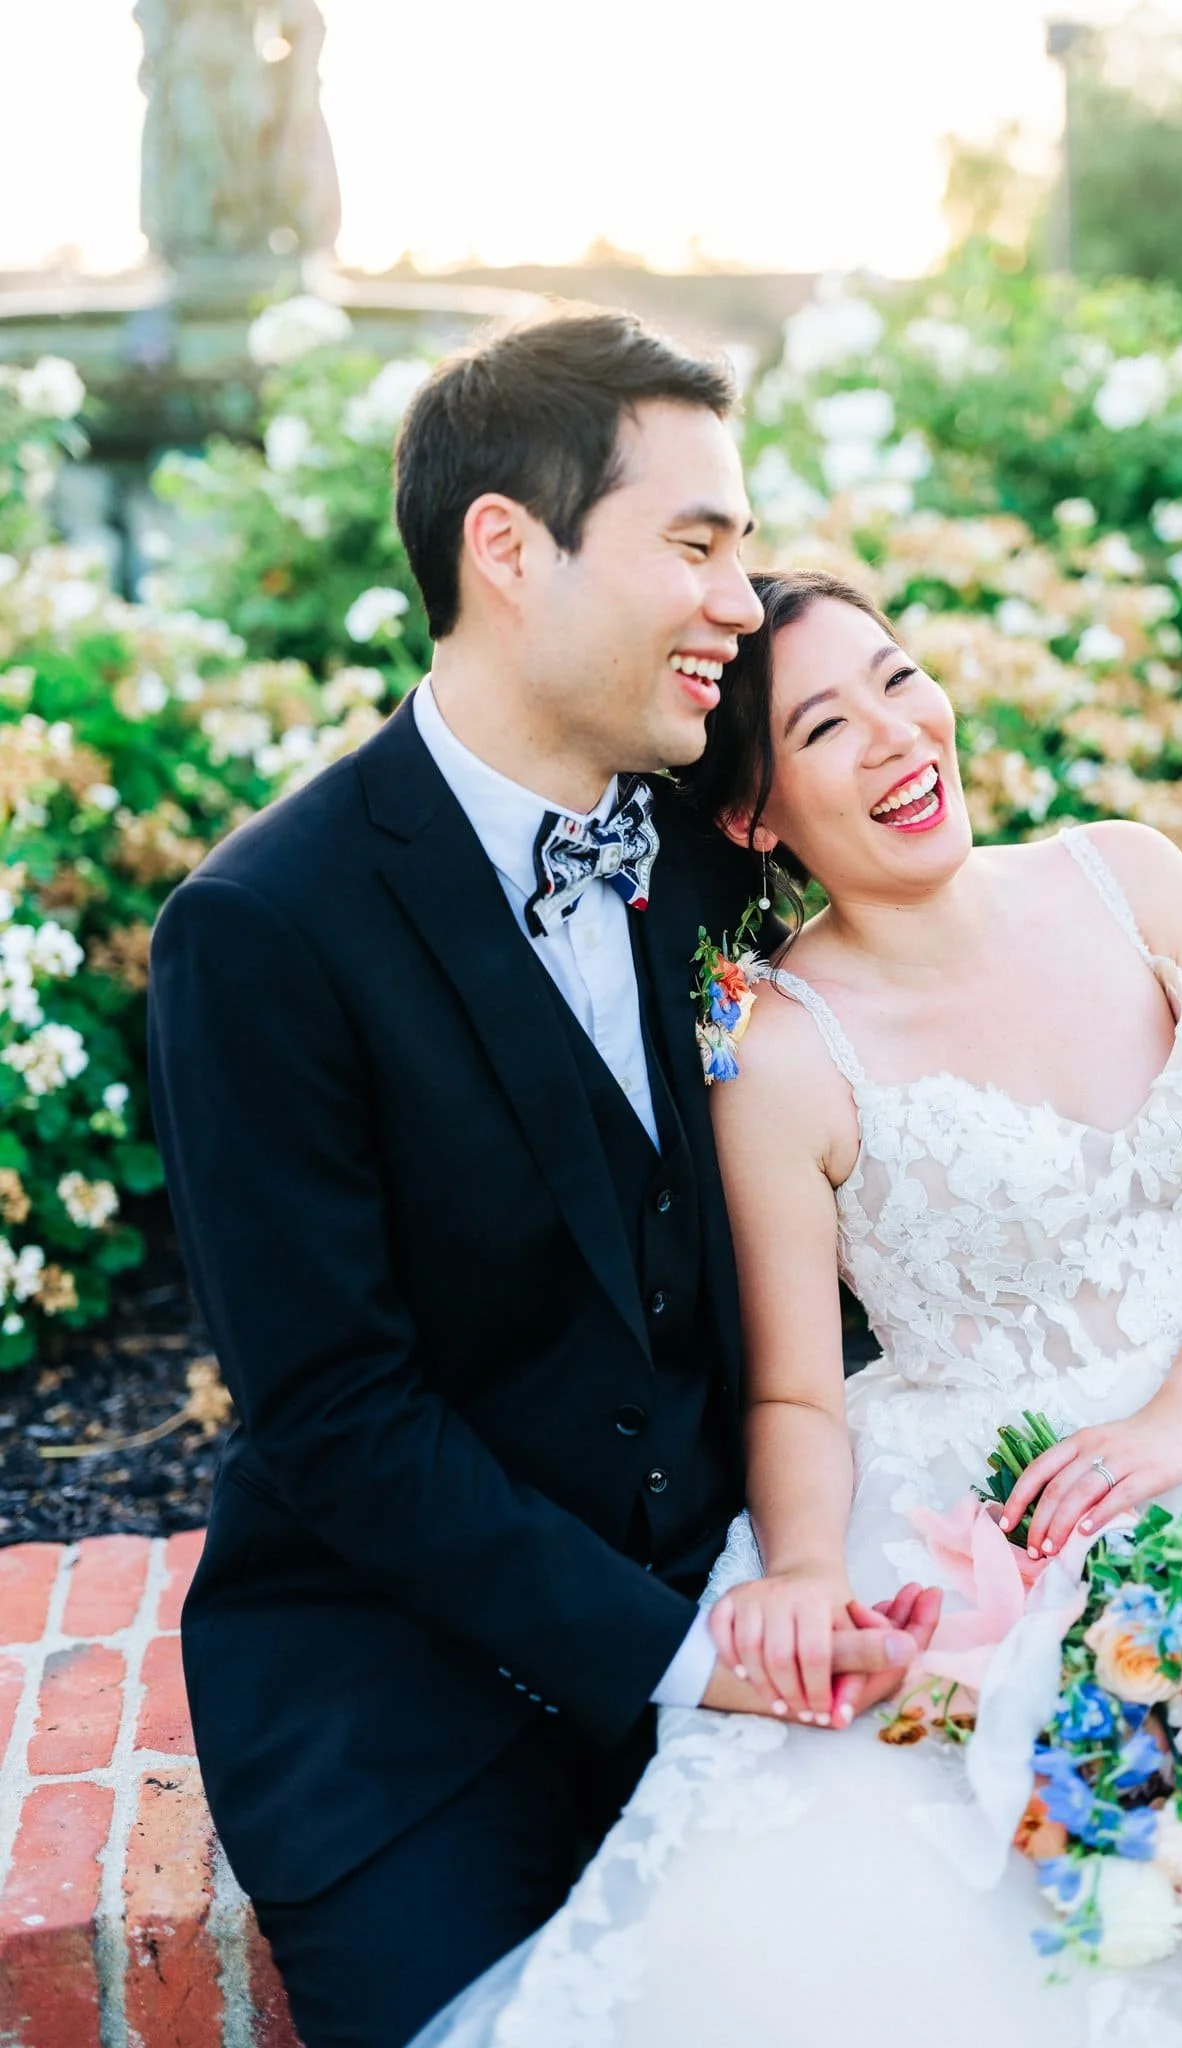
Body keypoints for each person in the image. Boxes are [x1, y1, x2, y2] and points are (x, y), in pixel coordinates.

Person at [412, 570, 1182, 2048]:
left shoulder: (1128, 875)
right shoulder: (777, 1050)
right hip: (989, 1495)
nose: (895, 733)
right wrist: (807, 1570)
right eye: (824, 727)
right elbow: (796, 1391)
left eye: (897, 678)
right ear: (753, 817)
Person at [145, 322, 939, 2048]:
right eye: (697, 545)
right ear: (508, 549)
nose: (739, 604)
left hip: (740, 1575)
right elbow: (338, 1415)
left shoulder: (704, 845)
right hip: (412, 1696)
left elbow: (885, 1031)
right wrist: (685, 1664)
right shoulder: (264, 931)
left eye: (743, 549)